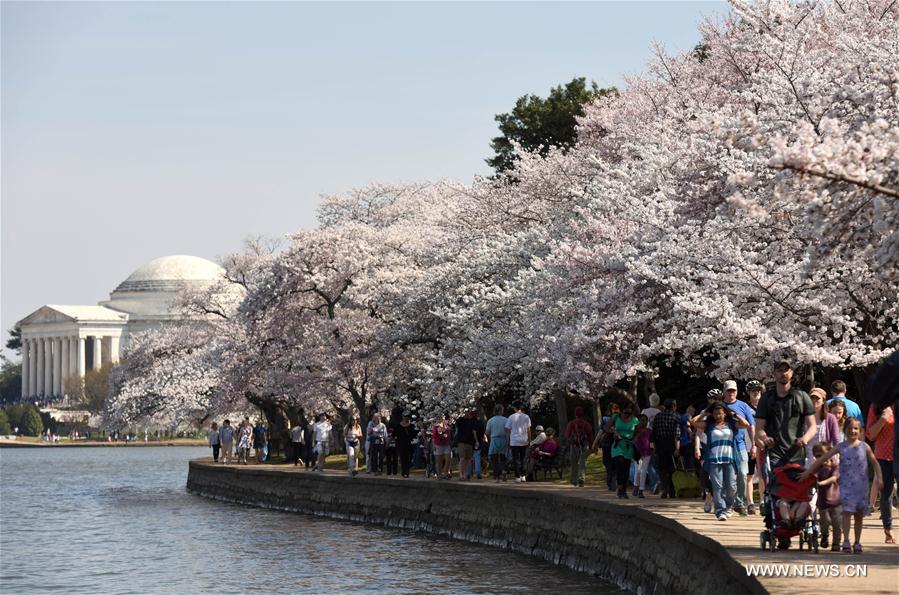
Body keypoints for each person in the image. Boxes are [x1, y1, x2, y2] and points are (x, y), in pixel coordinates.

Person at [802, 418, 883, 553]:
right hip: (845, 487)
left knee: (858, 516)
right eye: (849, 428)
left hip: (861, 487)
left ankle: (857, 542)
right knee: (846, 514)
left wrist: (879, 478)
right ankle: (846, 541)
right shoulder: (841, 446)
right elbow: (822, 459)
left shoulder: (865, 447)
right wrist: (807, 472)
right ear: (844, 430)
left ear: (860, 431)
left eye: (856, 428)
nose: (852, 431)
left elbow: (875, 463)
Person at [691, 402, 751, 521]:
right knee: (717, 486)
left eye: (720, 413)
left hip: (730, 459)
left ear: (724, 414)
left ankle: (729, 506)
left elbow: (746, 424)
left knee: (731, 486)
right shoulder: (709, 425)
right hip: (714, 460)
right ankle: (720, 511)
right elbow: (692, 422)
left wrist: (735, 415)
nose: (717, 416)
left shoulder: (732, 424)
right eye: (715, 414)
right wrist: (704, 414)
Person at [723, 380, 755, 516]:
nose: (731, 393)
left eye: (733, 390)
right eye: (729, 391)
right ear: (724, 392)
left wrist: (753, 445)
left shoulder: (743, 406)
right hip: (724, 446)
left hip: (741, 445)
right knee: (729, 477)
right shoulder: (719, 406)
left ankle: (740, 502)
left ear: (736, 391)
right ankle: (730, 503)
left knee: (742, 473)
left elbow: (751, 426)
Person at [865, 401, 895, 544]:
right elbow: (870, 435)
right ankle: (888, 529)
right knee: (886, 494)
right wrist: (883, 418)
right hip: (884, 457)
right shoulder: (877, 405)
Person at [812, 442, 842, 551]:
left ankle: (836, 543)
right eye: (818, 456)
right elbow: (812, 476)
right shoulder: (817, 468)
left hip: (837, 501)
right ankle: (824, 535)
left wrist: (821, 483)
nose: (821, 458)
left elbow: (834, 478)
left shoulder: (835, 466)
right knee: (824, 521)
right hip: (823, 502)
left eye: (823, 455)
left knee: (837, 523)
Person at [606, 401, 639, 499]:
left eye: (629, 413)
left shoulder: (635, 420)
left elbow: (638, 432)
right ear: (621, 411)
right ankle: (619, 487)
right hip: (618, 445)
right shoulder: (616, 417)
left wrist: (634, 440)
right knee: (620, 463)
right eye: (625, 413)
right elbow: (606, 427)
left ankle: (623, 490)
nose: (627, 415)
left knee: (626, 468)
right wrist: (613, 431)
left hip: (628, 445)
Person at [651, 398, 680, 499]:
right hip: (671, 444)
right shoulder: (675, 416)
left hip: (660, 444)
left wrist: (655, 447)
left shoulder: (658, 416)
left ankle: (665, 488)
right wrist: (677, 448)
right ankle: (672, 491)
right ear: (673, 406)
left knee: (662, 468)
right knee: (672, 469)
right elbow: (677, 434)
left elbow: (654, 433)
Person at [744, 380, 764, 513]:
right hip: (748, 444)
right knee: (749, 474)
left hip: (762, 444)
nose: (756, 393)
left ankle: (762, 501)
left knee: (762, 474)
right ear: (749, 393)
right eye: (753, 391)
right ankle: (750, 502)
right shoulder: (745, 408)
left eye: (758, 390)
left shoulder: (765, 406)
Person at [806, 387, 840, 466]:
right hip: (807, 457)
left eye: (817, 398)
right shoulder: (804, 417)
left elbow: (836, 440)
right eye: (812, 398)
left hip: (825, 458)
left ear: (823, 401)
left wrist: (836, 456)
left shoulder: (830, 418)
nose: (814, 400)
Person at [593, 403, 620, 491]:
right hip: (617, 443)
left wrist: (594, 444)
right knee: (615, 462)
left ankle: (610, 481)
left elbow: (600, 432)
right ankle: (614, 478)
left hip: (607, 443)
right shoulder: (620, 419)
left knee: (607, 463)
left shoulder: (605, 419)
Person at [565, 405, 593, 488]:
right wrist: (591, 446)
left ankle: (574, 480)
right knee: (582, 462)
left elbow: (567, 435)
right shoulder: (586, 424)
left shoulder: (571, 424)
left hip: (574, 445)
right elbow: (590, 436)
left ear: (575, 414)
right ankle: (581, 478)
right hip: (584, 446)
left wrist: (569, 442)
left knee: (574, 463)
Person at [505, 403, 532, 483]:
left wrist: (507, 441)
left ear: (515, 408)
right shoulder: (526, 417)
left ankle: (517, 476)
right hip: (524, 440)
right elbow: (528, 430)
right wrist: (529, 440)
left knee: (516, 459)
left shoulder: (511, 417)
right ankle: (523, 476)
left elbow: (508, 430)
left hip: (514, 441)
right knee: (523, 459)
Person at [455, 410, 480, 480]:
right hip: (462, 442)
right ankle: (461, 474)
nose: (468, 413)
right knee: (462, 458)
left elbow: (474, 431)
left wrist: (476, 441)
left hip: (470, 442)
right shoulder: (459, 420)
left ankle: (465, 473)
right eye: (466, 412)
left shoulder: (471, 421)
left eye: (468, 412)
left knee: (468, 459)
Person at [486, 404, 508, 482]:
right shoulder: (506, 420)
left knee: (494, 458)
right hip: (503, 439)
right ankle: (504, 470)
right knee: (503, 457)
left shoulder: (490, 420)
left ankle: (496, 475)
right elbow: (508, 431)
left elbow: (487, 432)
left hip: (494, 439)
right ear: (501, 411)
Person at [633, 414, 652, 498]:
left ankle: (641, 490)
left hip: (647, 453)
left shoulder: (649, 431)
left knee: (643, 471)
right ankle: (635, 485)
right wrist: (638, 434)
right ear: (639, 421)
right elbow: (633, 441)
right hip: (637, 453)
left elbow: (651, 441)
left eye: (645, 420)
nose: (644, 422)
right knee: (638, 470)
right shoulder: (635, 429)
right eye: (642, 420)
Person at [395, 412, 417, 478]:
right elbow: (394, 434)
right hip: (401, 444)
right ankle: (404, 472)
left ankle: (407, 471)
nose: (406, 418)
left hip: (410, 444)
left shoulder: (412, 426)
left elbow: (415, 434)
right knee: (403, 458)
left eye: (407, 417)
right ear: (403, 417)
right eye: (405, 417)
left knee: (409, 458)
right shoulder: (398, 426)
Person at [432, 414, 453, 479]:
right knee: (439, 461)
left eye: (444, 418)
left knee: (448, 460)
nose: (443, 419)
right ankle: (439, 474)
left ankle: (445, 473)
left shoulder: (447, 427)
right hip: (438, 445)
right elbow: (433, 437)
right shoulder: (436, 427)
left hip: (447, 445)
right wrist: (433, 445)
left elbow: (449, 436)